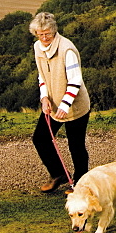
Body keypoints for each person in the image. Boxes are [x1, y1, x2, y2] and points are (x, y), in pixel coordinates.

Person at [30, 11, 91, 193]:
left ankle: (80, 183)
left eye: (47, 33)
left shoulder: (67, 49)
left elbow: (75, 81)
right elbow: (42, 75)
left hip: (76, 106)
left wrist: (65, 105)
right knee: (40, 138)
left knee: (76, 146)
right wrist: (44, 98)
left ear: (54, 31)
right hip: (53, 104)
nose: (44, 37)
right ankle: (58, 174)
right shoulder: (37, 48)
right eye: (40, 34)